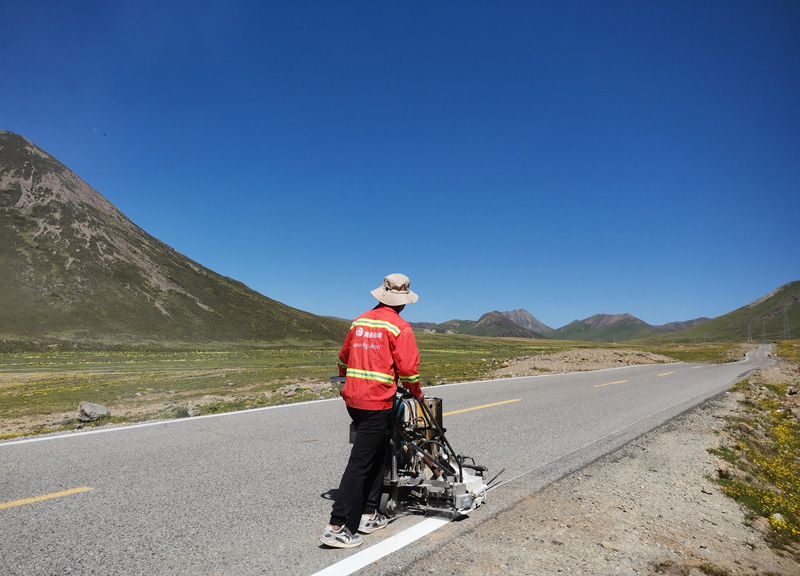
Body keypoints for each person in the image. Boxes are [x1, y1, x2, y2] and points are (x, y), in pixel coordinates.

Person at [320, 273, 425, 549]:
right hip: (377, 403)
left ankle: (368, 513)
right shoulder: (400, 327)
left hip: (353, 400)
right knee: (360, 462)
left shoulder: (359, 321)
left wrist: (350, 381)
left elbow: (343, 358)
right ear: (402, 302)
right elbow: (408, 370)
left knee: (380, 453)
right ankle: (336, 526)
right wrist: (417, 393)